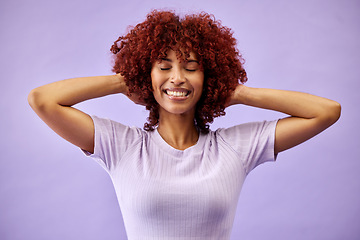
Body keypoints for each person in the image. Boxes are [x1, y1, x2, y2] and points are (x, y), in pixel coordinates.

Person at [28, 10, 341, 240]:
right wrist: (124, 82)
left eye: (191, 67)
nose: (177, 77)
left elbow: (326, 111)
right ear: (146, 75)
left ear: (208, 78)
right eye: (164, 67)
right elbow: (42, 100)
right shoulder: (122, 146)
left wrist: (241, 93)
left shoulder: (234, 148)